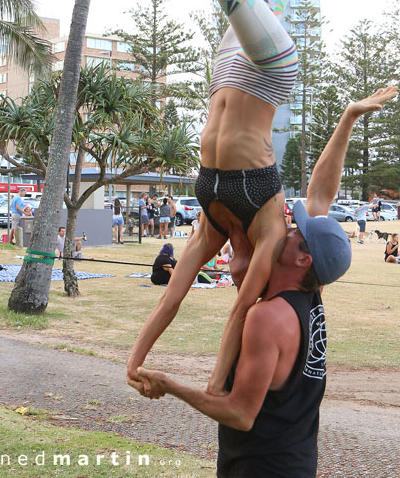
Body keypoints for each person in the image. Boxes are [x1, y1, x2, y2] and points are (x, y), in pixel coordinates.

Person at [122, 0, 398, 398]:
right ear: (275, 267)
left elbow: (176, 293)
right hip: (271, 71)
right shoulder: (273, 229)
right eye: (241, 271)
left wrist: (136, 359)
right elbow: (237, 314)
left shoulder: (214, 226)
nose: (232, 269)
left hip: (227, 71)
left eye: (234, 269)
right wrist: (215, 386)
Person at [135, 191, 352, 478]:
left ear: (303, 260)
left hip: (261, 468)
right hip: (296, 465)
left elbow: (241, 414)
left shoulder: (268, 317)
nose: (284, 230)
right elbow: (323, 186)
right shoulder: (313, 298)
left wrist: (170, 385)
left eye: (294, 232)